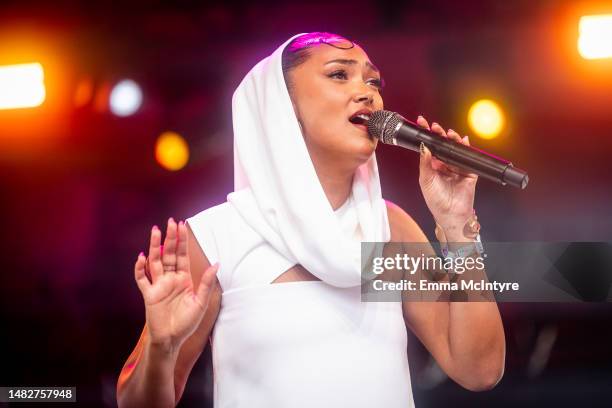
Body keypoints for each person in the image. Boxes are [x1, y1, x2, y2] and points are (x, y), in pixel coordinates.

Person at [116, 32, 505, 408]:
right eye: (340, 74)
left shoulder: (388, 228)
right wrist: (161, 348)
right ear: (281, 105)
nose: (368, 91)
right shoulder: (218, 236)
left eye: (373, 80)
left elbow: (479, 370)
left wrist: (456, 224)